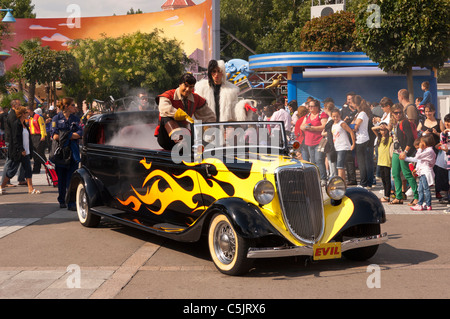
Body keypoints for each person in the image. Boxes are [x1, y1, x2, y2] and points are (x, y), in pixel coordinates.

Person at [156, 73, 216, 150]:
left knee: (202, 146)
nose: (188, 89)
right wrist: (183, 116)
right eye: (186, 85)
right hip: (166, 137)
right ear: (180, 84)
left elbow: (209, 116)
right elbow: (164, 109)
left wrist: (208, 133)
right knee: (165, 116)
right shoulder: (168, 95)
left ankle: (185, 145)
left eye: (191, 87)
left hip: (184, 133)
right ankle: (181, 142)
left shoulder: (196, 99)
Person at [51, 97, 83, 209]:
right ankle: (61, 200)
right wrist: (70, 136)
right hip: (61, 153)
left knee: (72, 178)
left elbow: (80, 133)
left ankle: (71, 202)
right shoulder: (56, 118)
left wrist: (66, 135)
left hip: (73, 152)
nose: (75, 107)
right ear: (66, 106)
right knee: (61, 179)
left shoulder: (76, 118)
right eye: (73, 105)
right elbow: (54, 135)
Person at [0, 106, 40, 195]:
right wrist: (21, 149)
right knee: (12, 171)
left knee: (28, 169)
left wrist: (29, 148)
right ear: (22, 114)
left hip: (26, 151)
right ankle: (2, 186)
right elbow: (15, 139)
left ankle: (31, 188)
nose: (28, 114)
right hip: (18, 152)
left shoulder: (24, 124)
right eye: (26, 112)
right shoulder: (16, 124)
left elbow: (27, 138)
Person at [390, 104, 418, 205]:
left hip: (403, 152)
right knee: (395, 174)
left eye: (400, 112)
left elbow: (410, 138)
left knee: (407, 174)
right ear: (392, 113)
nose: (398, 114)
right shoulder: (396, 123)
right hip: (396, 152)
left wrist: (405, 152)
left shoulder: (405, 122)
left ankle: (416, 196)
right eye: (395, 113)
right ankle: (398, 197)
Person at [403, 135, 436, 211]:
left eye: (422, 142)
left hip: (426, 172)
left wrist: (420, 148)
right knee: (420, 189)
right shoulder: (428, 151)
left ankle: (426, 204)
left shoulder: (429, 151)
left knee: (425, 189)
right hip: (423, 172)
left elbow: (417, 157)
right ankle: (422, 204)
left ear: (425, 143)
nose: (420, 144)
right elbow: (419, 161)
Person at [300, 99, 328, 185]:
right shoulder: (308, 115)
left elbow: (324, 126)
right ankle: (315, 178)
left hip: (319, 141)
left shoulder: (321, 114)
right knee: (312, 161)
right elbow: (301, 126)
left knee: (319, 159)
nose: (310, 108)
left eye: (312, 106)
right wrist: (305, 127)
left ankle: (323, 178)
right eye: (309, 106)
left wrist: (312, 128)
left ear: (317, 107)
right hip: (309, 141)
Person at [351, 95, 371, 188]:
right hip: (360, 139)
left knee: (362, 162)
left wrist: (352, 125)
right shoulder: (358, 113)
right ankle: (365, 182)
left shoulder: (362, 113)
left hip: (362, 140)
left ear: (355, 104)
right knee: (361, 162)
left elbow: (355, 126)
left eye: (352, 103)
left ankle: (363, 182)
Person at [331, 108, 355, 181]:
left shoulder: (342, 123)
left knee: (340, 166)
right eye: (334, 116)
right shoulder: (333, 124)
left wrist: (353, 144)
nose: (335, 118)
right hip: (337, 147)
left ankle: (339, 182)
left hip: (343, 147)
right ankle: (343, 182)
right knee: (340, 167)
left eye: (337, 116)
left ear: (340, 115)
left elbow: (351, 132)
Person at [372, 123, 393, 202]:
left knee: (387, 179)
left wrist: (387, 128)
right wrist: (380, 126)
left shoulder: (390, 138)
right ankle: (385, 195)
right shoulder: (379, 138)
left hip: (387, 161)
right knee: (383, 179)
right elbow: (372, 129)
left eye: (384, 130)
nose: (383, 132)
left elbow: (392, 133)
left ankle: (387, 196)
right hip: (380, 162)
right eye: (381, 130)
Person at [28, 106, 47, 174]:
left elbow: (42, 126)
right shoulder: (30, 118)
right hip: (32, 136)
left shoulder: (38, 117)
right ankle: (36, 169)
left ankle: (47, 167)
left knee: (40, 153)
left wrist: (43, 135)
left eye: (27, 112)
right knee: (35, 154)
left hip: (38, 136)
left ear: (30, 110)